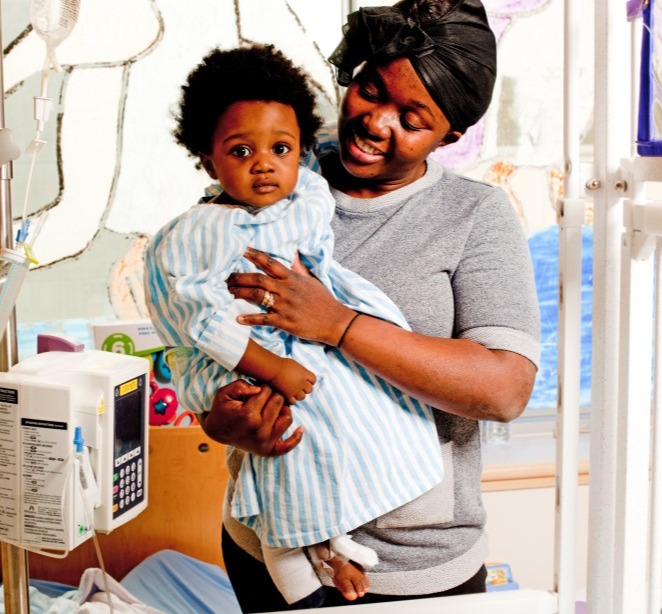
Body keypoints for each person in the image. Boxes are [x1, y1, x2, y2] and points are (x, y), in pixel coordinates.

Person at [176, 0, 542, 611]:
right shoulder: (270, 174)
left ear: (451, 136)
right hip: (268, 538)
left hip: (408, 569)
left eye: (412, 118)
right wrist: (220, 422)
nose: (376, 121)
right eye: (370, 90)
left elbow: (504, 388)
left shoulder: (473, 216)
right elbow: (203, 331)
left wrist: (338, 324)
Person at [143, 44, 448, 609]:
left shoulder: (305, 188)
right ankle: (298, 575)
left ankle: (334, 544)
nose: (264, 163)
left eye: (280, 149)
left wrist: (329, 322)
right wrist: (273, 367)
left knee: (336, 435)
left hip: (304, 347)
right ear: (209, 161)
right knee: (287, 450)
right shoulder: (197, 234)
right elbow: (202, 321)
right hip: (246, 353)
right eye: (241, 151)